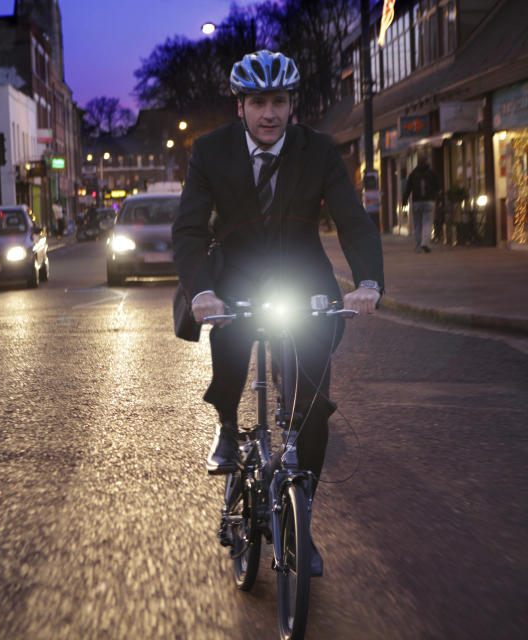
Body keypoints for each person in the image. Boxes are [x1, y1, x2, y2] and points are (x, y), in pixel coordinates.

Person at [172, 50, 385, 575]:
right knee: (228, 336)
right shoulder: (211, 152)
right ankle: (226, 420)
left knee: (311, 399)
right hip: (235, 273)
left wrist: (367, 281)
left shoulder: (319, 151)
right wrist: (201, 293)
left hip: (301, 275)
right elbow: (190, 229)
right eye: (259, 102)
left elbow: (353, 220)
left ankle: (299, 524)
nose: (270, 114)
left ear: (293, 105)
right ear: (240, 105)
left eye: (280, 102)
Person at [402, 155, 441, 253]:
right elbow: (438, 187)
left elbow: (408, 189)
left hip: (417, 202)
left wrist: (404, 200)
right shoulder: (432, 173)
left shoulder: (413, 174)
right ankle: (425, 243)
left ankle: (419, 245)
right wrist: (439, 199)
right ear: (427, 162)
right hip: (429, 201)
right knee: (427, 223)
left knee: (417, 224)